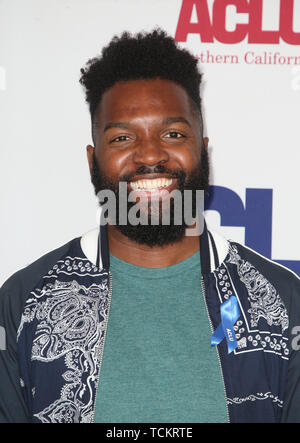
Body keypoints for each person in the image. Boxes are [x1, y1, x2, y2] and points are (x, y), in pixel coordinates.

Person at [0, 29, 300, 424]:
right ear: (92, 161)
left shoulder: (281, 304)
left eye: (173, 133)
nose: (150, 154)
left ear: (203, 150)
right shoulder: (24, 303)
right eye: (122, 137)